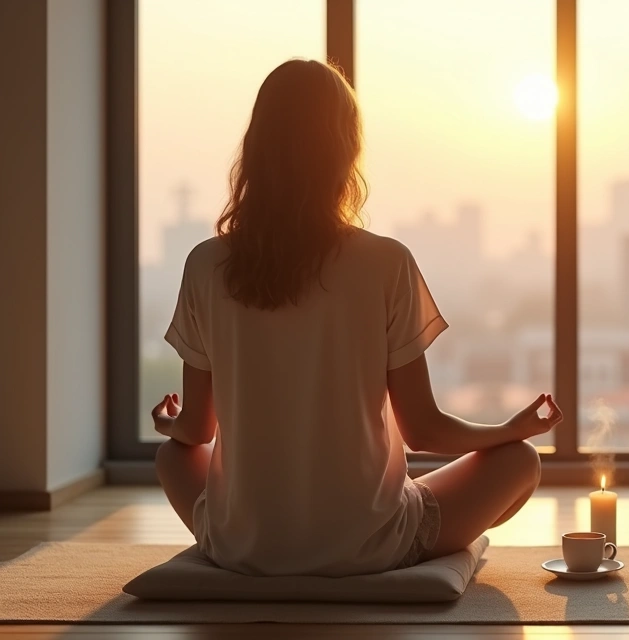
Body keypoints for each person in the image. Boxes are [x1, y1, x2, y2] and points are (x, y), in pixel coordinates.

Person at [150, 59, 562, 578]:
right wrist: (508, 429)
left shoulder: (205, 264)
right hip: (369, 545)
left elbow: (196, 429)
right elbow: (423, 429)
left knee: (170, 456)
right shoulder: (386, 261)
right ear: (344, 149)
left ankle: (268, 542)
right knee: (521, 461)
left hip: (243, 546)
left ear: (256, 145)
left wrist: (170, 422)